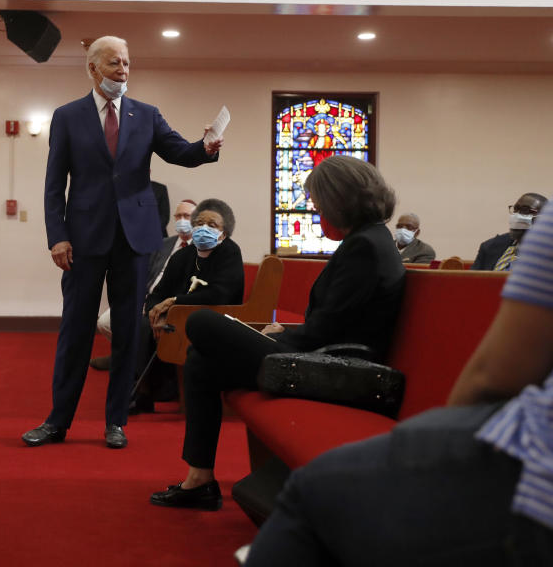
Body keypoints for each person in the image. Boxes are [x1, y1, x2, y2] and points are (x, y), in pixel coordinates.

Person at [244, 201, 553, 566]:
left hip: (536, 486)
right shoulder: (391, 245)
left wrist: (437, 464)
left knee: (313, 490)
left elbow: (494, 377)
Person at [150, 155, 404, 510]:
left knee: (201, 323)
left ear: (339, 200)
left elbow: (325, 332)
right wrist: (278, 334)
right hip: (326, 354)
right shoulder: (369, 240)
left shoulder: (365, 246)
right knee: (201, 357)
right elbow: (334, 321)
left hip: (338, 368)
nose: (315, 210)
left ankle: (201, 481)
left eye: (318, 202)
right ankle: (200, 479)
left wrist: (272, 339)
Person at [23, 35, 223, 450]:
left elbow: (180, 152)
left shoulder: (145, 115)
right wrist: (57, 236)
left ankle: (116, 421)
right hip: (82, 238)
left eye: (128, 64)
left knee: (129, 331)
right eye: (115, 64)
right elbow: (53, 184)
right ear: (94, 69)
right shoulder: (67, 116)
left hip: (135, 238)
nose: (124, 71)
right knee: (75, 331)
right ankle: (58, 421)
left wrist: (205, 147)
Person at [136, 198, 245, 412]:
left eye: (212, 225)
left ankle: (166, 388)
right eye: (200, 223)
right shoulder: (181, 256)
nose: (204, 228)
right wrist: (156, 313)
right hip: (178, 316)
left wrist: (175, 303)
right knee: (142, 325)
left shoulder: (230, 253)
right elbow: (158, 294)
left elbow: (220, 295)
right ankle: (143, 393)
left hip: (215, 317)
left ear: (224, 232)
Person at [92, 198, 197, 369]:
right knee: (105, 322)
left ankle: (136, 363)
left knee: (142, 328)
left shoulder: (199, 249)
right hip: (145, 296)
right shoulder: (163, 244)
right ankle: (124, 358)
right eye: (178, 216)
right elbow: (145, 273)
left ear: (197, 218)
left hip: (169, 303)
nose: (181, 220)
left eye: (187, 215)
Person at [471, 192, 547, 271]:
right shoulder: (490, 247)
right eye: (515, 209)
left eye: (525, 210)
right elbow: (472, 281)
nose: (516, 216)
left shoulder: (548, 253)